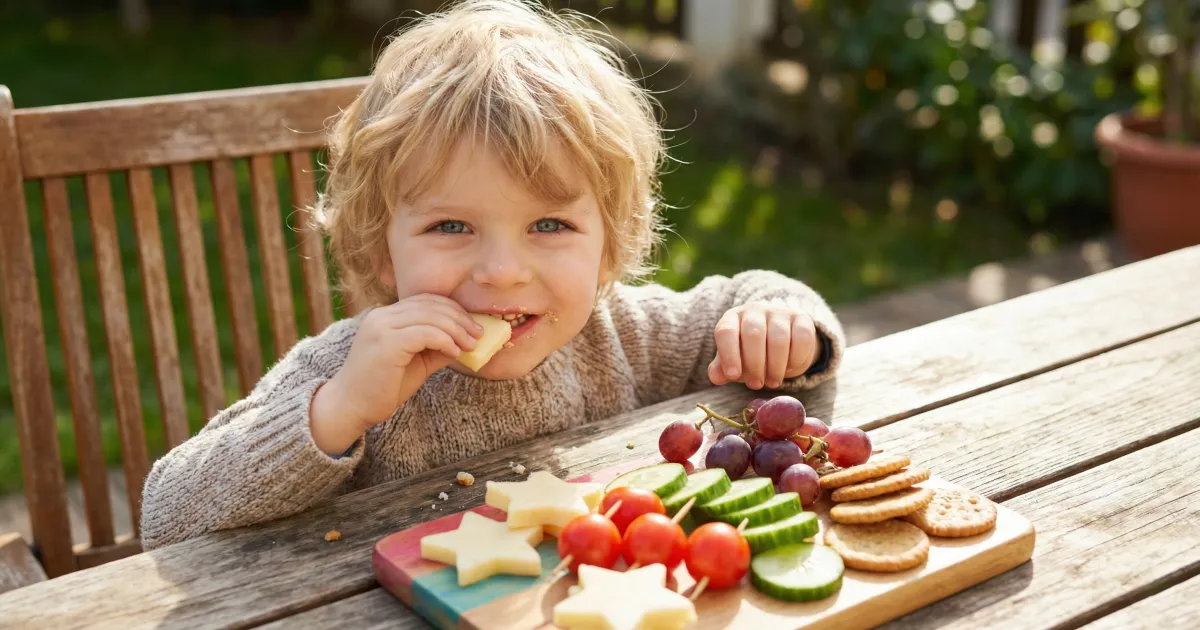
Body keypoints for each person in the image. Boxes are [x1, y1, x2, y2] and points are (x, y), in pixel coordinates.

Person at [139, 0, 844, 549]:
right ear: (380, 248)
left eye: (549, 226)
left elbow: (744, 300)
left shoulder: (624, 331)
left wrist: (787, 321)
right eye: (451, 227)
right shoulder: (352, 369)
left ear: (608, 246)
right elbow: (165, 515)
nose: (503, 272)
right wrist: (337, 410)